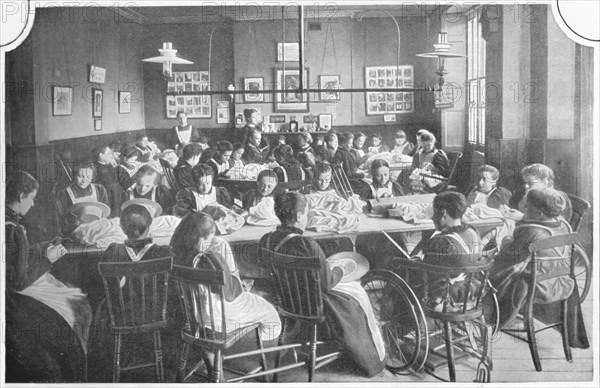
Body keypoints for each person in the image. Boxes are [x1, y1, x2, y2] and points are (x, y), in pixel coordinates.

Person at [258, 192, 386, 377]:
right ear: (300, 216)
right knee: (357, 294)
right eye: (306, 213)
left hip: (285, 301)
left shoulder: (267, 240)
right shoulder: (307, 244)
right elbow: (326, 284)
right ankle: (366, 359)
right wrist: (340, 269)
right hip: (312, 305)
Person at [5, 171, 91, 382]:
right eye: (32, 198)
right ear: (21, 196)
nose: (33, 204)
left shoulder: (8, 221)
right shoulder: (11, 228)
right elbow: (18, 280)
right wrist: (47, 260)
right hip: (12, 298)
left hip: (14, 287)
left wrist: (41, 248)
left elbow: (14, 257)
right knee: (76, 305)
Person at [488, 188, 588, 349]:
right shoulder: (564, 224)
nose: (524, 209)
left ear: (540, 214)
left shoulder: (532, 231)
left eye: (527, 207)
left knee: (492, 271)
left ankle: (490, 319)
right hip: (561, 282)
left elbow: (509, 253)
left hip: (536, 287)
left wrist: (504, 236)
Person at [170, 211, 281, 345]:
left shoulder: (174, 255)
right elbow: (229, 294)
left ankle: (220, 351)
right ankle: (257, 351)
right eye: (210, 239)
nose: (212, 242)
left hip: (193, 316)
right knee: (269, 312)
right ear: (201, 240)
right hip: (216, 318)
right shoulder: (209, 259)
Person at [55, 160, 111, 236]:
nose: (84, 180)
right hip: (76, 234)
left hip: (98, 232)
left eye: (88, 176)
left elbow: (106, 215)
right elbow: (61, 221)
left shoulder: (99, 189)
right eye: (80, 176)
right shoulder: (64, 194)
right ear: (74, 175)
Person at [92, 144, 123, 217]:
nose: (112, 156)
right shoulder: (95, 168)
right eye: (109, 154)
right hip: (108, 198)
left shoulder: (109, 165)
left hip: (116, 196)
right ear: (101, 155)